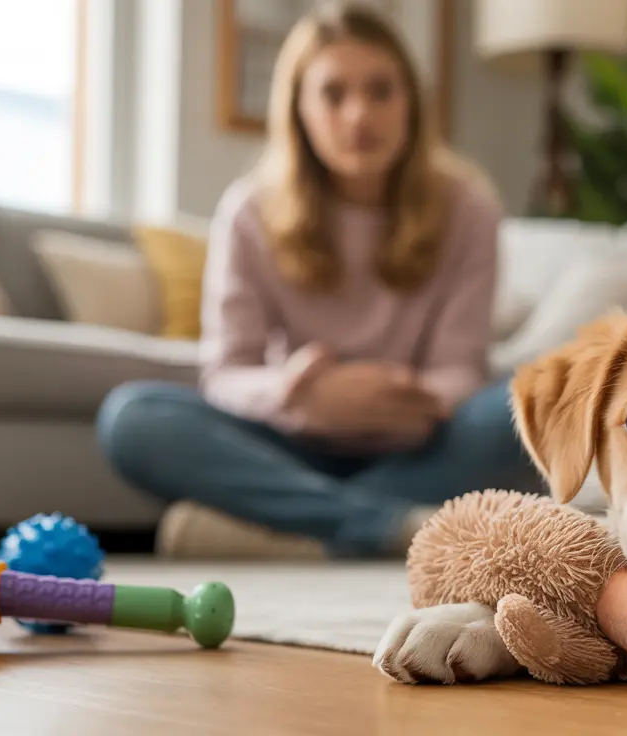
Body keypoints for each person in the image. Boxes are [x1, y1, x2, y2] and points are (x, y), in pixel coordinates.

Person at [95, 1, 542, 559]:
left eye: (381, 91)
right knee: (132, 418)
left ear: (411, 103)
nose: (359, 115)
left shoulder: (467, 207)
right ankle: (379, 525)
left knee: (526, 405)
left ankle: (296, 526)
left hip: (416, 440)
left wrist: (390, 398)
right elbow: (227, 372)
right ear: (300, 109)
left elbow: (459, 367)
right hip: (291, 439)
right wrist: (298, 398)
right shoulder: (249, 213)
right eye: (334, 94)